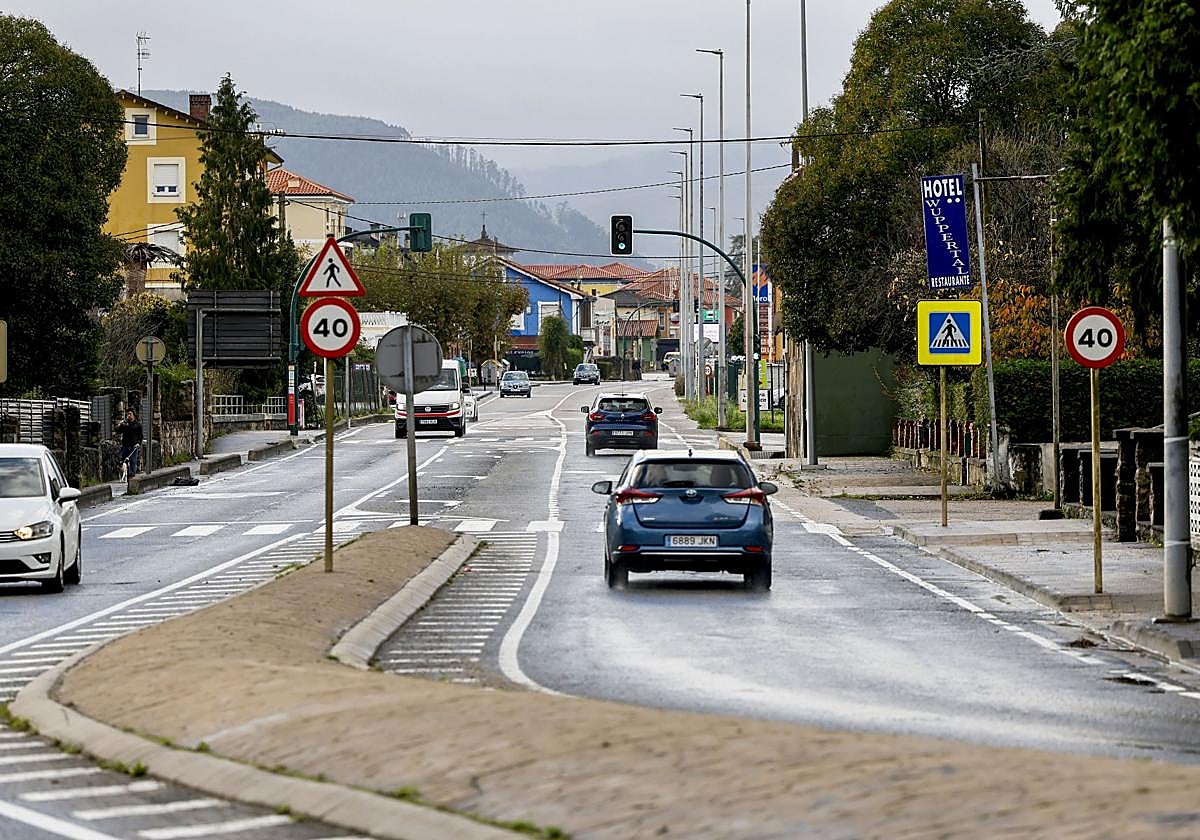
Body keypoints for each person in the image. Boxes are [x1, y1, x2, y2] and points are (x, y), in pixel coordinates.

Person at [116, 409, 143, 477]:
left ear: (133, 415)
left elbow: (140, 436)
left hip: (133, 446)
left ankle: (132, 474)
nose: (128, 415)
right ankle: (123, 474)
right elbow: (118, 431)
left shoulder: (137, 425)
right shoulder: (125, 424)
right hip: (125, 445)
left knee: (133, 460)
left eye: (130, 414)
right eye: (127, 414)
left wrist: (138, 443)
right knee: (122, 460)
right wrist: (120, 425)